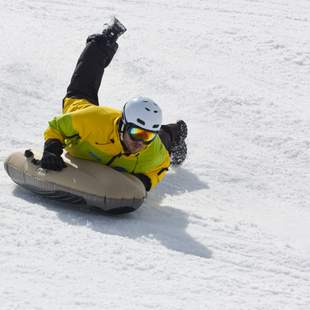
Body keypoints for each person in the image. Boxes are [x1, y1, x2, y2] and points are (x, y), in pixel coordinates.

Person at [40, 17, 188, 192]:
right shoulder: (93, 120)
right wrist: (52, 149)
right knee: (85, 77)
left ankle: (177, 132)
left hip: (122, 139)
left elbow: (161, 166)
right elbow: (57, 125)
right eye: (136, 133)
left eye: (147, 136)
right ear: (123, 126)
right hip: (88, 113)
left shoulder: (152, 149)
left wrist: (144, 182)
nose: (140, 142)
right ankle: (106, 40)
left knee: (164, 139)